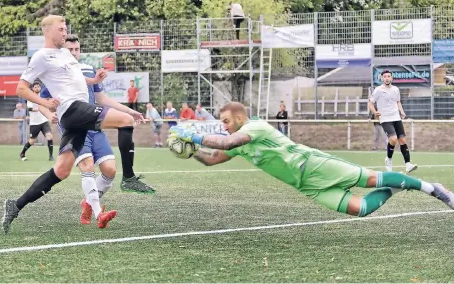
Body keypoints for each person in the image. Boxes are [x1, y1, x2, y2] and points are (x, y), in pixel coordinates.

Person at [2, 15, 154, 234]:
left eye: (65, 29)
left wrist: (94, 81)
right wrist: (44, 102)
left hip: (77, 114)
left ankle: (15, 205)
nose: (64, 33)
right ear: (47, 32)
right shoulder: (41, 57)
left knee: (61, 171)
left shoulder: (64, 53)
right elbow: (21, 89)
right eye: (61, 29)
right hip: (72, 110)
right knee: (125, 120)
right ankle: (129, 178)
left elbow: (75, 81)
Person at [169, 102, 454, 218]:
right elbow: (214, 158)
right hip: (308, 186)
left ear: (240, 117)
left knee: (371, 179)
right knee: (363, 208)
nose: (224, 125)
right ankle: (398, 185)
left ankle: (433, 189)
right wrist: (190, 152)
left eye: (226, 120)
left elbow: (226, 142)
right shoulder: (238, 144)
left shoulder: (253, 128)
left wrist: (191, 134)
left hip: (313, 164)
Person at [368, 70, 417, 173]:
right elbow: (370, 103)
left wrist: (402, 112)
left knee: (402, 140)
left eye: (388, 76)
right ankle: (389, 159)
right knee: (393, 139)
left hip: (396, 117)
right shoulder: (378, 90)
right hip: (385, 119)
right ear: (382, 78)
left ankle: (408, 164)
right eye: (384, 76)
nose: (387, 78)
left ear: (391, 78)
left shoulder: (395, 89)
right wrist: (375, 112)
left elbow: (398, 102)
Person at [19, 82, 55, 161]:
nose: (37, 88)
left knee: (49, 136)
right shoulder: (31, 97)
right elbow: (30, 109)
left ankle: (51, 156)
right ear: (32, 88)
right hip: (35, 123)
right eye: (35, 87)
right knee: (32, 141)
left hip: (44, 121)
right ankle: (22, 153)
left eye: (38, 87)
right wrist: (40, 108)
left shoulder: (43, 97)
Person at [369, 85, 388, 151]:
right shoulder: (374, 105)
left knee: (384, 137)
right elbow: (372, 114)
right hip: (376, 124)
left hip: (382, 124)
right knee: (375, 137)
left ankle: (386, 148)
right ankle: (375, 147)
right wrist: (371, 119)